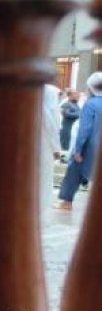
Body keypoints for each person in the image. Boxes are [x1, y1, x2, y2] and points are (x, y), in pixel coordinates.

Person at [55, 72, 102, 210]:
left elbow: (85, 129)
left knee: (74, 170)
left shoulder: (91, 104)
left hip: (90, 147)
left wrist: (78, 149)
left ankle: (66, 202)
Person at [41, 84, 62, 211]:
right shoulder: (47, 112)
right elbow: (52, 130)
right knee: (43, 180)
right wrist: (56, 149)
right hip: (44, 148)